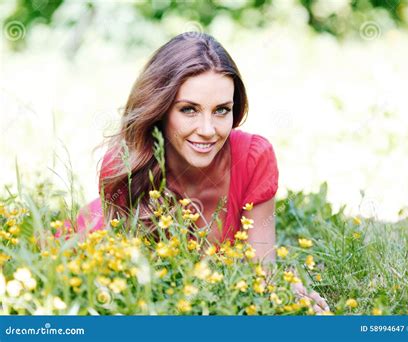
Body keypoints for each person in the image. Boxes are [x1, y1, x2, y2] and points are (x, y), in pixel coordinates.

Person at [74, 32, 329, 313]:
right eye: (188, 110)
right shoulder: (126, 166)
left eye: (221, 110)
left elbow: (260, 269)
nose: (208, 130)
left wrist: (284, 291)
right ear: (159, 110)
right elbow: (141, 291)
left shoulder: (254, 157)